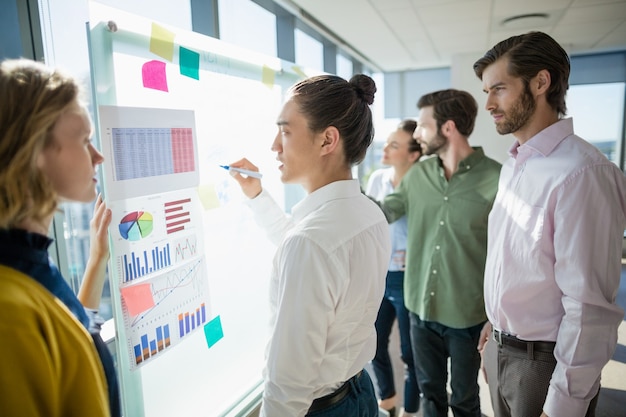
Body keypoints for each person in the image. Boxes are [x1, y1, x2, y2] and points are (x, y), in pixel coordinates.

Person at [473, 31, 626, 417]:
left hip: (544, 364)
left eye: (499, 89)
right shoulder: (514, 164)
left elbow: (589, 306)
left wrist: (564, 404)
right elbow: (517, 261)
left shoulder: (584, 172)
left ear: (541, 82)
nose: (488, 103)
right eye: (487, 91)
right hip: (501, 349)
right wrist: (495, 325)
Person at [228, 74, 391, 417]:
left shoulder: (312, 242)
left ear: (327, 140)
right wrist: (257, 196)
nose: (275, 145)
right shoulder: (368, 213)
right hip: (359, 393)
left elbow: (289, 381)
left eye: (286, 131)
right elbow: (307, 246)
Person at [0, 58, 120, 417]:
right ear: (35, 149)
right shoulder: (9, 315)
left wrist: (98, 258)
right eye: (85, 140)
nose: (98, 157)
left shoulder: (27, 260)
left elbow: (67, 333)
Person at [375, 89, 501, 417]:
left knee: (464, 399)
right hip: (420, 311)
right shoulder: (417, 175)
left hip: (467, 316)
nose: (417, 134)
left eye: (423, 126)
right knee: (431, 395)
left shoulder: (497, 178)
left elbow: (508, 254)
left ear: (447, 128)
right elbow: (385, 211)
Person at [366, 119, 422, 417]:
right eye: (386, 142)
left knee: (410, 354)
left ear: (413, 154)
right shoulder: (377, 179)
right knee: (372, 344)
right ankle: (387, 403)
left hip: (410, 278)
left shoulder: (423, 184)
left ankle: (411, 412)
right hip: (380, 275)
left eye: (394, 145)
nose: (385, 148)